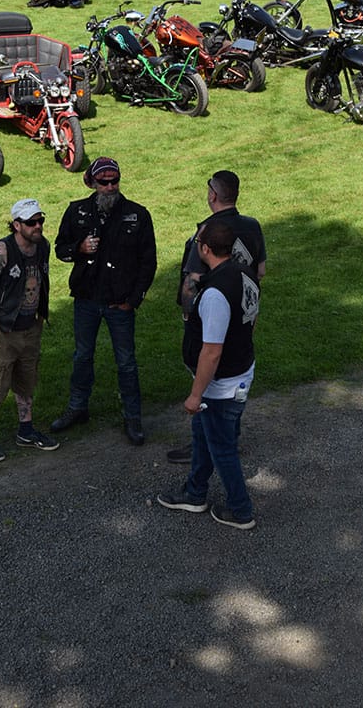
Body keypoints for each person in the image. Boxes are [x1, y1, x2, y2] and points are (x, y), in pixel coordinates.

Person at [157, 218, 260, 530]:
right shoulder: (244, 272)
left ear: (205, 249)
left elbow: (211, 352)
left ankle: (241, 510)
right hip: (238, 373)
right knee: (203, 436)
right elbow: (252, 316)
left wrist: (195, 395)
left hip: (220, 387)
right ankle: (195, 492)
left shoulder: (215, 293)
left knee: (223, 449)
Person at [51, 157, 157, 446]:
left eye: (114, 181)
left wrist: (133, 300)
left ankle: (132, 417)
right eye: (104, 182)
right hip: (86, 299)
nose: (110, 187)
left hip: (120, 303)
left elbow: (148, 262)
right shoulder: (76, 211)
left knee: (126, 362)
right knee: (82, 356)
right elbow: (60, 249)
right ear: (92, 183)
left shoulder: (138, 214)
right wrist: (79, 248)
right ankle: (77, 408)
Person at [167, 170, 266, 465]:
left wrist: (189, 319)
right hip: (244, 313)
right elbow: (260, 271)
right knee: (234, 379)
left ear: (212, 195)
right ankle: (227, 438)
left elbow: (192, 281)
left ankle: (207, 445)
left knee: (209, 383)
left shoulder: (206, 234)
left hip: (212, 314)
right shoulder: (252, 226)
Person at [0, 199, 59, 462]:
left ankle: (26, 429)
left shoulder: (42, 246)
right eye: (31, 222)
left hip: (30, 327)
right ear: (16, 225)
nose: (38, 226)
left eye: (40, 220)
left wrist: (40, 317)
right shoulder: (2, 251)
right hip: (5, 330)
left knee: (26, 380)